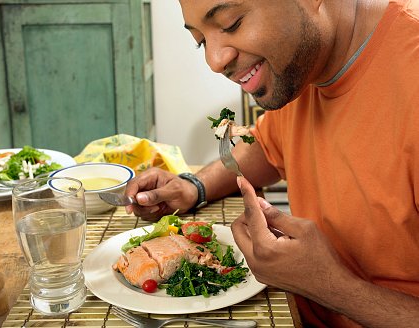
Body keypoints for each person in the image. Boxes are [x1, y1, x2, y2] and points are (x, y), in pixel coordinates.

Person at [125, 0, 419, 326]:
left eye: (232, 23)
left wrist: (330, 286)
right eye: (201, 42)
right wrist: (194, 186)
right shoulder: (303, 67)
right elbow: (267, 146)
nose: (214, 60)